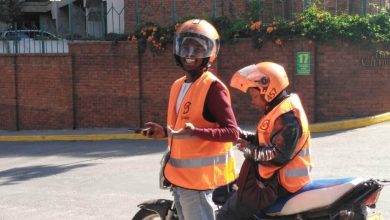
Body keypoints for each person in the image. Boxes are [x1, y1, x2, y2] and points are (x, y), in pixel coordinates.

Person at [140, 19, 240, 220]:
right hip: (180, 178)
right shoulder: (178, 85)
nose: (190, 53)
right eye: (186, 46)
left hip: (199, 183)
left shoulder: (213, 87)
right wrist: (164, 132)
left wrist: (197, 131)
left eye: (197, 47)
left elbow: (232, 133)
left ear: (210, 53)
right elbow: (183, 130)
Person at [216, 62, 312, 220]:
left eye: (254, 96)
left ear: (269, 92)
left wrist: (247, 149)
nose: (252, 102)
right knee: (225, 192)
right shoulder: (278, 110)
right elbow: (265, 140)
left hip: (282, 184)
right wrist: (242, 135)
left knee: (225, 215)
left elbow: (276, 156)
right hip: (272, 180)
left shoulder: (287, 117)